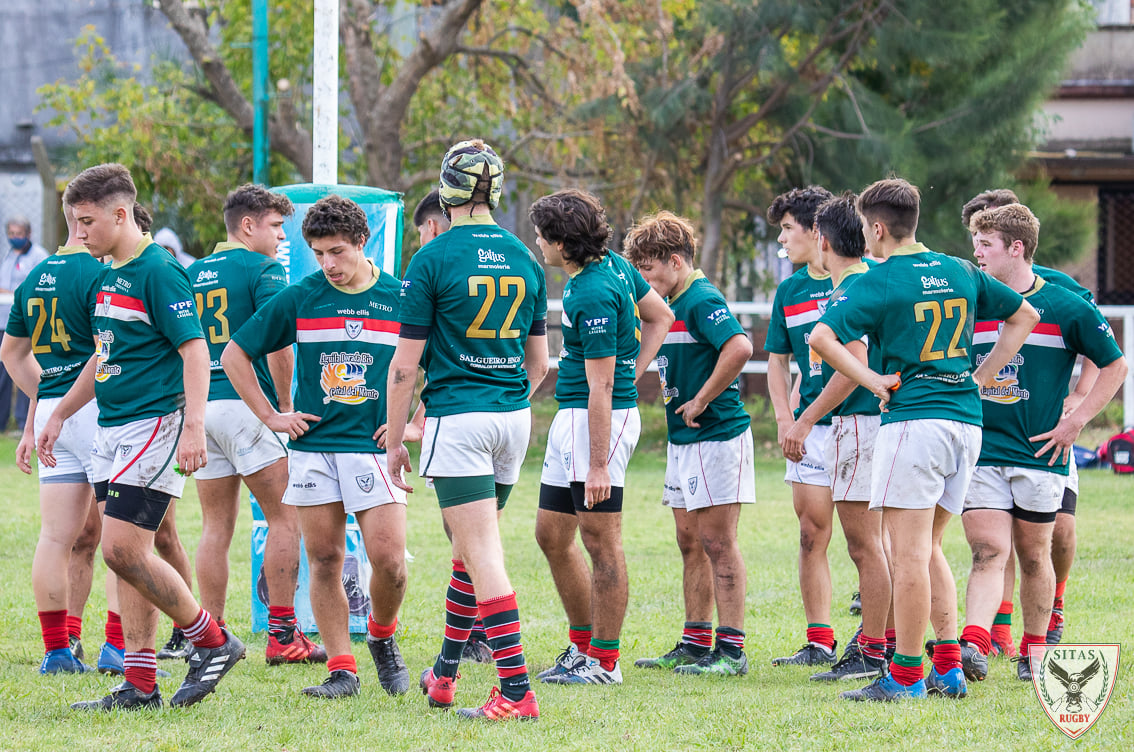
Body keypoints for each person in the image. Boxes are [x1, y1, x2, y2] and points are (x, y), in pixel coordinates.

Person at [809, 177, 1038, 701]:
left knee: (905, 552)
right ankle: (949, 667)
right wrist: (980, 377)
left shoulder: (878, 277)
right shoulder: (960, 268)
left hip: (915, 422)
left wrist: (872, 382)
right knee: (930, 546)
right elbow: (1025, 314)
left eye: (867, 229)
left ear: (879, 228)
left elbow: (822, 337)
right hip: (965, 423)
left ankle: (907, 674)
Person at [38, 163, 244, 710]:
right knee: (127, 556)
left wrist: (194, 426)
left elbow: (196, 351)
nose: (78, 235)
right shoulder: (110, 272)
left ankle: (212, 640)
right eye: (74, 223)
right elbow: (102, 355)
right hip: (112, 427)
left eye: (86, 222)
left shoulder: (159, 270)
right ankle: (141, 681)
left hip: (154, 425)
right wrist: (60, 413)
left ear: (121, 214)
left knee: (121, 547)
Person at [223, 194, 410, 700]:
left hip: (372, 449)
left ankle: (382, 636)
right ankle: (342, 671)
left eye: (337, 252)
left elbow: (430, 366)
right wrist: (271, 416)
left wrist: (411, 422)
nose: (328, 264)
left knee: (391, 562)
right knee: (324, 558)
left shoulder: (401, 296)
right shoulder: (302, 296)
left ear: (362, 243)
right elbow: (234, 353)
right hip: (313, 448)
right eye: (318, 253)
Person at [386, 140, 549, 720]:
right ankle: (446, 676)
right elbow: (540, 363)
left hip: (460, 418)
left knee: (480, 552)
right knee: (466, 552)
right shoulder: (524, 256)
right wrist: (507, 403)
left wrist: (393, 435)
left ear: (447, 187)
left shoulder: (432, 257)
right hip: (513, 416)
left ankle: (515, 691)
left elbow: (405, 365)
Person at [959, 203, 1126, 682]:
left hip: (1041, 454)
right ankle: (975, 641)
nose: (977, 254)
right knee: (988, 550)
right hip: (984, 450)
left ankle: (1035, 653)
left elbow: (1115, 365)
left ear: (1016, 248)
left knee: (1034, 555)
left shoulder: (1066, 304)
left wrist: (1078, 418)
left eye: (985, 245)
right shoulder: (971, 301)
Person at [530, 188, 673, 687]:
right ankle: (582, 644)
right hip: (575, 415)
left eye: (542, 238)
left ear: (562, 243)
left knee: (600, 541)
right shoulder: (611, 265)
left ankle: (603, 662)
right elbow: (662, 317)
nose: (539, 246)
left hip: (597, 420)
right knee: (551, 535)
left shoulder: (592, 288)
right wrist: (637, 368)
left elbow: (603, 385)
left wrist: (597, 464)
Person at [188, 184, 325, 665]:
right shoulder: (264, 268)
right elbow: (278, 341)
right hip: (248, 406)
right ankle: (284, 635)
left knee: (215, 527)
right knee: (284, 518)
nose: (281, 237)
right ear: (247, 225)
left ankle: (211, 633)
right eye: (274, 226)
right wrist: (283, 404)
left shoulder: (193, 270)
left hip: (202, 408)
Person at [622, 211, 754, 676]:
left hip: (717, 437)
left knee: (718, 542)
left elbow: (739, 347)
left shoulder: (701, 298)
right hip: (684, 441)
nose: (645, 280)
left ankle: (732, 651)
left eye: (649, 269)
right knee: (689, 541)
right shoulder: (672, 302)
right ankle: (696, 641)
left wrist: (701, 398)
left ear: (675, 261)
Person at [781, 194, 893, 683]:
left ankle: (876, 649)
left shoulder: (854, 287)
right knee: (887, 546)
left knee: (870, 547)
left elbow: (852, 367)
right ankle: (884, 645)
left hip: (863, 422)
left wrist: (804, 419)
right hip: (875, 422)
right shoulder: (872, 279)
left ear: (823, 239)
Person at [1, 204, 103, 674]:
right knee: (127, 535)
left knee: (55, 538)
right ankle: (120, 649)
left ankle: (58, 650)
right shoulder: (101, 273)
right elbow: (107, 352)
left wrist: (46, 399)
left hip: (52, 415)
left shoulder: (34, 274)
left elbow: (11, 354)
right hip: (97, 409)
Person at [764, 186, 843, 667]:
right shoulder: (790, 290)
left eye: (787, 229)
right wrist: (785, 418)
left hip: (862, 423)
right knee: (811, 534)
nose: (781, 240)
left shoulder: (862, 277)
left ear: (817, 231)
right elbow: (777, 361)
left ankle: (878, 639)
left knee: (870, 542)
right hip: (808, 432)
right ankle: (819, 639)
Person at [1, 216, 49, 432]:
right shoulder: (8, 255)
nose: (15, 238)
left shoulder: (39, 257)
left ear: (28, 234)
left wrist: (10, 294)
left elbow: (39, 289)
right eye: (11, 234)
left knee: (26, 369)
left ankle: (24, 423)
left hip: (28, 324)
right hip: (4, 323)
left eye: (18, 234)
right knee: (6, 371)